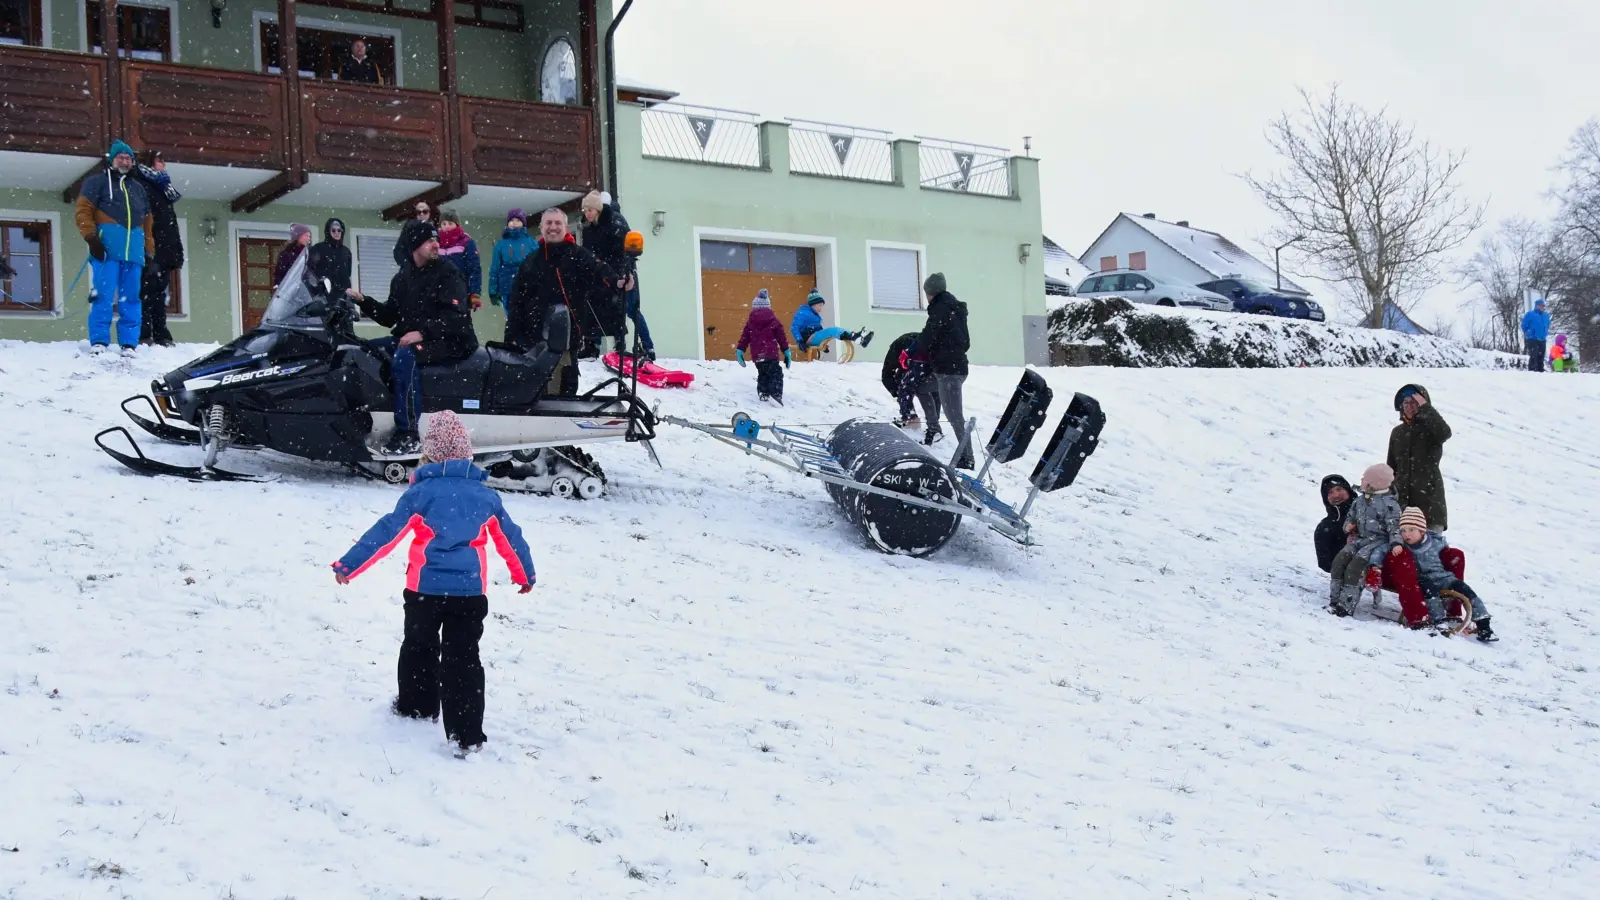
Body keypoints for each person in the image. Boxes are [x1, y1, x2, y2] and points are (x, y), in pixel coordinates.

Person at [331, 410, 535, 755]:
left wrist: (349, 565)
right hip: (469, 594)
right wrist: (524, 574)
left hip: (424, 592)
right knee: (463, 658)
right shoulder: (485, 497)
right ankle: (467, 734)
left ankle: (417, 705)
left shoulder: (421, 494)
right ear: (466, 453)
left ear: (429, 454)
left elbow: (386, 533)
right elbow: (510, 539)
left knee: (419, 646)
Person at [347, 220, 479, 455]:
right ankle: (361, 417)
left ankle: (407, 433)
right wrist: (363, 301)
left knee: (404, 357)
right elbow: (389, 316)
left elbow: (455, 317)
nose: (436, 244)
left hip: (452, 340)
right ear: (414, 246)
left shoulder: (448, 273)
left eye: (436, 239)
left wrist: (422, 333)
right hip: (417, 337)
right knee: (365, 350)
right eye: (430, 240)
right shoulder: (403, 277)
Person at [506, 207, 618, 397]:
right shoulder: (530, 262)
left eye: (558, 223)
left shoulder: (579, 256)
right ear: (541, 227)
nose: (553, 227)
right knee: (533, 397)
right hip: (533, 345)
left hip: (566, 344)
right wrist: (511, 337)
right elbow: (516, 302)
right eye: (548, 223)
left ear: (565, 227)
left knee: (563, 397)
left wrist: (618, 282)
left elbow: (601, 272)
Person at [75, 139, 154, 356]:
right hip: (106, 251)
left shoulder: (138, 188)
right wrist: (92, 238)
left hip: (134, 252)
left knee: (131, 298)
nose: (124, 161)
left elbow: (148, 223)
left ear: (133, 162)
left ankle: (129, 343)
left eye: (128, 158)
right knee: (103, 295)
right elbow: (83, 211)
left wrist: (149, 251)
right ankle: (100, 340)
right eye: (120, 157)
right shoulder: (97, 182)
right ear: (111, 160)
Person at [1398, 508, 1496, 642]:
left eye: (1411, 530)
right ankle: (1439, 621)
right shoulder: (1402, 546)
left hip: (1444, 578)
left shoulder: (1435, 542)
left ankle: (1484, 625)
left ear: (1422, 531)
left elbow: (1447, 555)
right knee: (1430, 593)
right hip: (1422, 580)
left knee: (1466, 591)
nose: (1406, 534)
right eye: (1403, 530)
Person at [1326, 463, 1402, 617]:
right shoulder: (1360, 501)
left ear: (1375, 483)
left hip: (1376, 544)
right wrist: (1348, 526)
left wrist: (1396, 543)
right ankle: (1334, 600)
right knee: (1339, 561)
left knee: (1355, 569)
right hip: (1359, 540)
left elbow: (1395, 528)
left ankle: (1345, 606)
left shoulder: (1390, 505)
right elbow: (1351, 517)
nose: (1361, 480)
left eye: (1365, 478)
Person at [579, 190, 645, 358]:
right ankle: (591, 345)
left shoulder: (614, 223)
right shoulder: (588, 228)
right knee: (591, 308)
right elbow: (587, 251)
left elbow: (623, 249)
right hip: (596, 272)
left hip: (614, 271)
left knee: (617, 307)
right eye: (585, 210)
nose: (587, 213)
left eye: (590, 210)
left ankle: (620, 345)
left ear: (598, 209)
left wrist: (622, 271)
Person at [917, 272, 973, 468]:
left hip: (949, 370)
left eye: (926, 293)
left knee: (955, 416)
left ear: (931, 292)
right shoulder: (955, 309)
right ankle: (934, 428)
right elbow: (966, 342)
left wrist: (912, 351)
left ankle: (967, 458)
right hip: (954, 367)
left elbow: (928, 336)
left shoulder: (940, 309)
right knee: (922, 388)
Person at [130, 150, 183, 347]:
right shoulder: (140, 183)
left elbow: (169, 221)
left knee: (159, 292)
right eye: (160, 160)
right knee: (146, 291)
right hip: (150, 247)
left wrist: (174, 250)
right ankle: (144, 333)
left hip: (165, 247)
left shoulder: (162, 185)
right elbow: (143, 218)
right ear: (150, 162)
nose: (164, 164)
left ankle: (161, 333)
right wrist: (147, 248)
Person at [1387, 383, 1451, 531]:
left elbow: (1445, 432)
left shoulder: (1431, 429)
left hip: (1430, 505)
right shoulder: (1397, 432)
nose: (1409, 407)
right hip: (1402, 507)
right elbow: (1391, 468)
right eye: (1406, 403)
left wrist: (1426, 408)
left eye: (1414, 403)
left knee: (1431, 545)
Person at [735, 289, 792, 404]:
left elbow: (744, 338)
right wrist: (786, 351)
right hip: (771, 354)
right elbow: (781, 338)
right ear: (768, 307)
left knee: (763, 373)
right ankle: (775, 394)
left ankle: (763, 392)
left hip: (757, 356)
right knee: (776, 373)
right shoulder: (774, 321)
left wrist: (740, 350)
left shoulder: (750, 322)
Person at [790, 290, 874, 353]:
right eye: (819, 305)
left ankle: (858, 337)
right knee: (832, 330)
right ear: (813, 304)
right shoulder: (803, 313)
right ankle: (856, 337)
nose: (821, 308)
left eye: (822, 306)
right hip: (807, 339)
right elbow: (794, 327)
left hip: (812, 336)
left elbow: (819, 331)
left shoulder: (814, 315)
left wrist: (822, 344)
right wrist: (799, 341)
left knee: (832, 331)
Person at [488, 208, 535, 317]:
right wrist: (493, 291)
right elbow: (495, 269)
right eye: (511, 220)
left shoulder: (531, 243)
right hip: (508, 288)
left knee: (530, 317)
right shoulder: (500, 245)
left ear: (523, 223)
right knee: (512, 318)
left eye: (518, 220)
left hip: (528, 286)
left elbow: (538, 265)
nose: (514, 223)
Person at [436, 210, 483, 310]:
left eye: (450, 223)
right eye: (444, 223)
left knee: (458, 317)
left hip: (460, 290)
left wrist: (475, 293)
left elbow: (474, 269)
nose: (447, 226)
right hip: (438, 291)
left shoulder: (466, 242)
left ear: (457, 224)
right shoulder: (435, 242)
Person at [1313, 474, 1355, 573]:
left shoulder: (1368, 510)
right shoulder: (1324, 527)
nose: (1336, 495)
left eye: (1339, 489)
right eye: (1330, 492)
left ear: (1348, 490)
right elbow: (1325, 563)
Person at [308, 217, 353, 299]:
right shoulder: (318, 248)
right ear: (328, 231)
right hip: (323, 295)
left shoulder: (346, 252)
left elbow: (347, 274)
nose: (337, 233)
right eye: (333, 230)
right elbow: (310, 270)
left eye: (339, 230)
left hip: (343, 296)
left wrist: (348, 290)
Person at [394, 199, 438, 264]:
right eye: (418, 212)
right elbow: (399, 251)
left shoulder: (437, 228)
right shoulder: (409, 229)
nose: (422, 214)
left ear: (431, 212)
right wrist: (408, 265)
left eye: (425, 211)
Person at [273, 223, 313, 290]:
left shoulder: (309, 254)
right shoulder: (286, 254)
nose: (308, 239)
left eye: (309, 237)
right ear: (298, 236)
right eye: (306, 236)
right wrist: (278, 286)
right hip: (288, 290)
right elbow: (279, 274)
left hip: (304, 291)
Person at [1521, 298, 1551, 372]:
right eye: (1540, 305)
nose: (1542, 307)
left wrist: (1546, 331)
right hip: (1532, 338)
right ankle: (1532, 370)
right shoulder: (1530, 314)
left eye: (1543, 306)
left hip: (1542, 338)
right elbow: (1524, 325)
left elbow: (1548, 324)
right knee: (1534, 355)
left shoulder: (1546, 315)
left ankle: (1540, 370)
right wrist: (1529, 332)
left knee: (1541, 355)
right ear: (1536, 306)